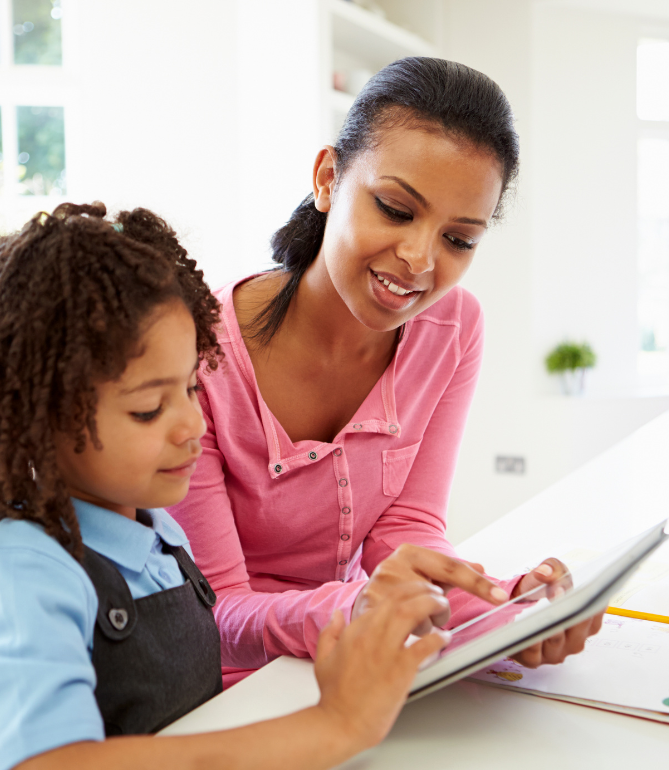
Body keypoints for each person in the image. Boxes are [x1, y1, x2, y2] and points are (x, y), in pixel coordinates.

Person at [0, 203, 481, 770]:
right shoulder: (21, 571)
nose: (194, 425)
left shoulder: (156, 534)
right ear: (31, 420)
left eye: (187, 389)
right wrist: (330, 728)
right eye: (150, 409)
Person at [168, 56, 603, 688]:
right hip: (223, 688)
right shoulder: (192, 347)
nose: (419, 259)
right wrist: (361, 608)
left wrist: (505, 607)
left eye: (459, 239)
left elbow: (406, 528)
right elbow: (217, 612)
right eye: (396, 209)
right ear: (327, 179)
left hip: (351, 659)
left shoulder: (453, 329)